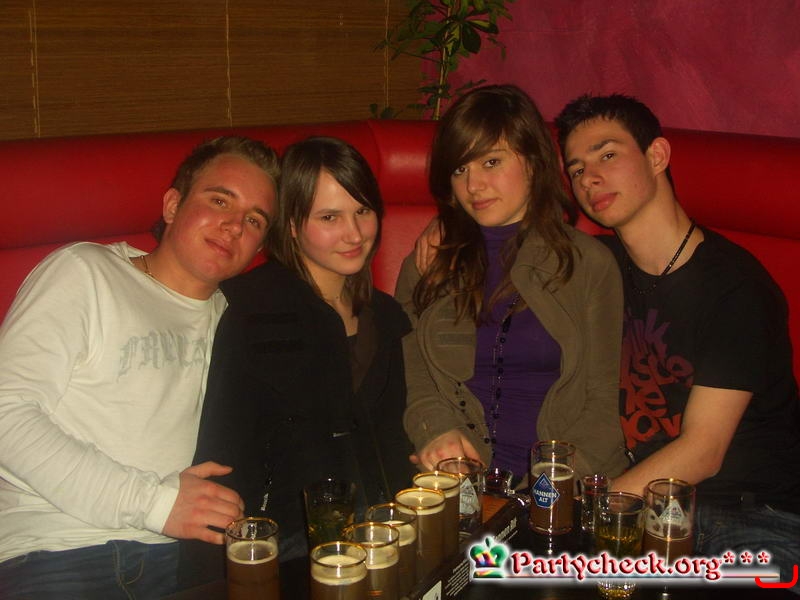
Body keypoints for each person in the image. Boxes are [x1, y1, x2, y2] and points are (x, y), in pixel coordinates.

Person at [0, 135, 279, 599]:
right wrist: (154, 503)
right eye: (219, 200)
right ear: (172, 205)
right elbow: (6, 411)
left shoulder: (241, 321)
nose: (233, 226)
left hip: (184, 559)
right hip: (56, 548)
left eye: (254, 220)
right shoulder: (87, 272)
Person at [555, 93, 800, 590]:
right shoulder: (599, 267)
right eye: (576, 169)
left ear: (657, 155)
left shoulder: (735, 287)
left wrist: (588, 511)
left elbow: (703, 451)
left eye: (607, 155)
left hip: (751, 515)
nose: (589, 179)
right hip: (646, 512)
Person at [183, 136, 415, 588]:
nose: (354, 234)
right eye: (329, 217)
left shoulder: (387, 316)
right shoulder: (249, 309)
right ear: (291, 225)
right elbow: (223, 449)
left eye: (363, 211)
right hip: (285, 552)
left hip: (387, 540)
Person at [396, 84, 629, 485]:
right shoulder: (430, 262)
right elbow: (412, 374)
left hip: (561, 487)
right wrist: (434, 430)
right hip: (459, 483)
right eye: (460, 169)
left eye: (491, 162)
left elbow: (603, 404)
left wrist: (546, 488)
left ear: (533, 162)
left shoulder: (588, 263)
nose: (473, 185)